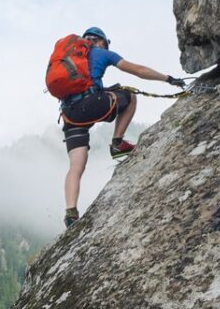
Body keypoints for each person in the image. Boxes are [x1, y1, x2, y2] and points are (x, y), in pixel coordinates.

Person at [61, 26, 183, 228]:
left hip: (69, 115)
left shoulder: (69, 59)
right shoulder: (101, 52)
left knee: (76, 166)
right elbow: (138, 71)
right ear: (101, 41)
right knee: (129, 95)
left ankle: (71, 213)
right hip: (91, 106)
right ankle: (117, 143)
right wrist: (168, 79)